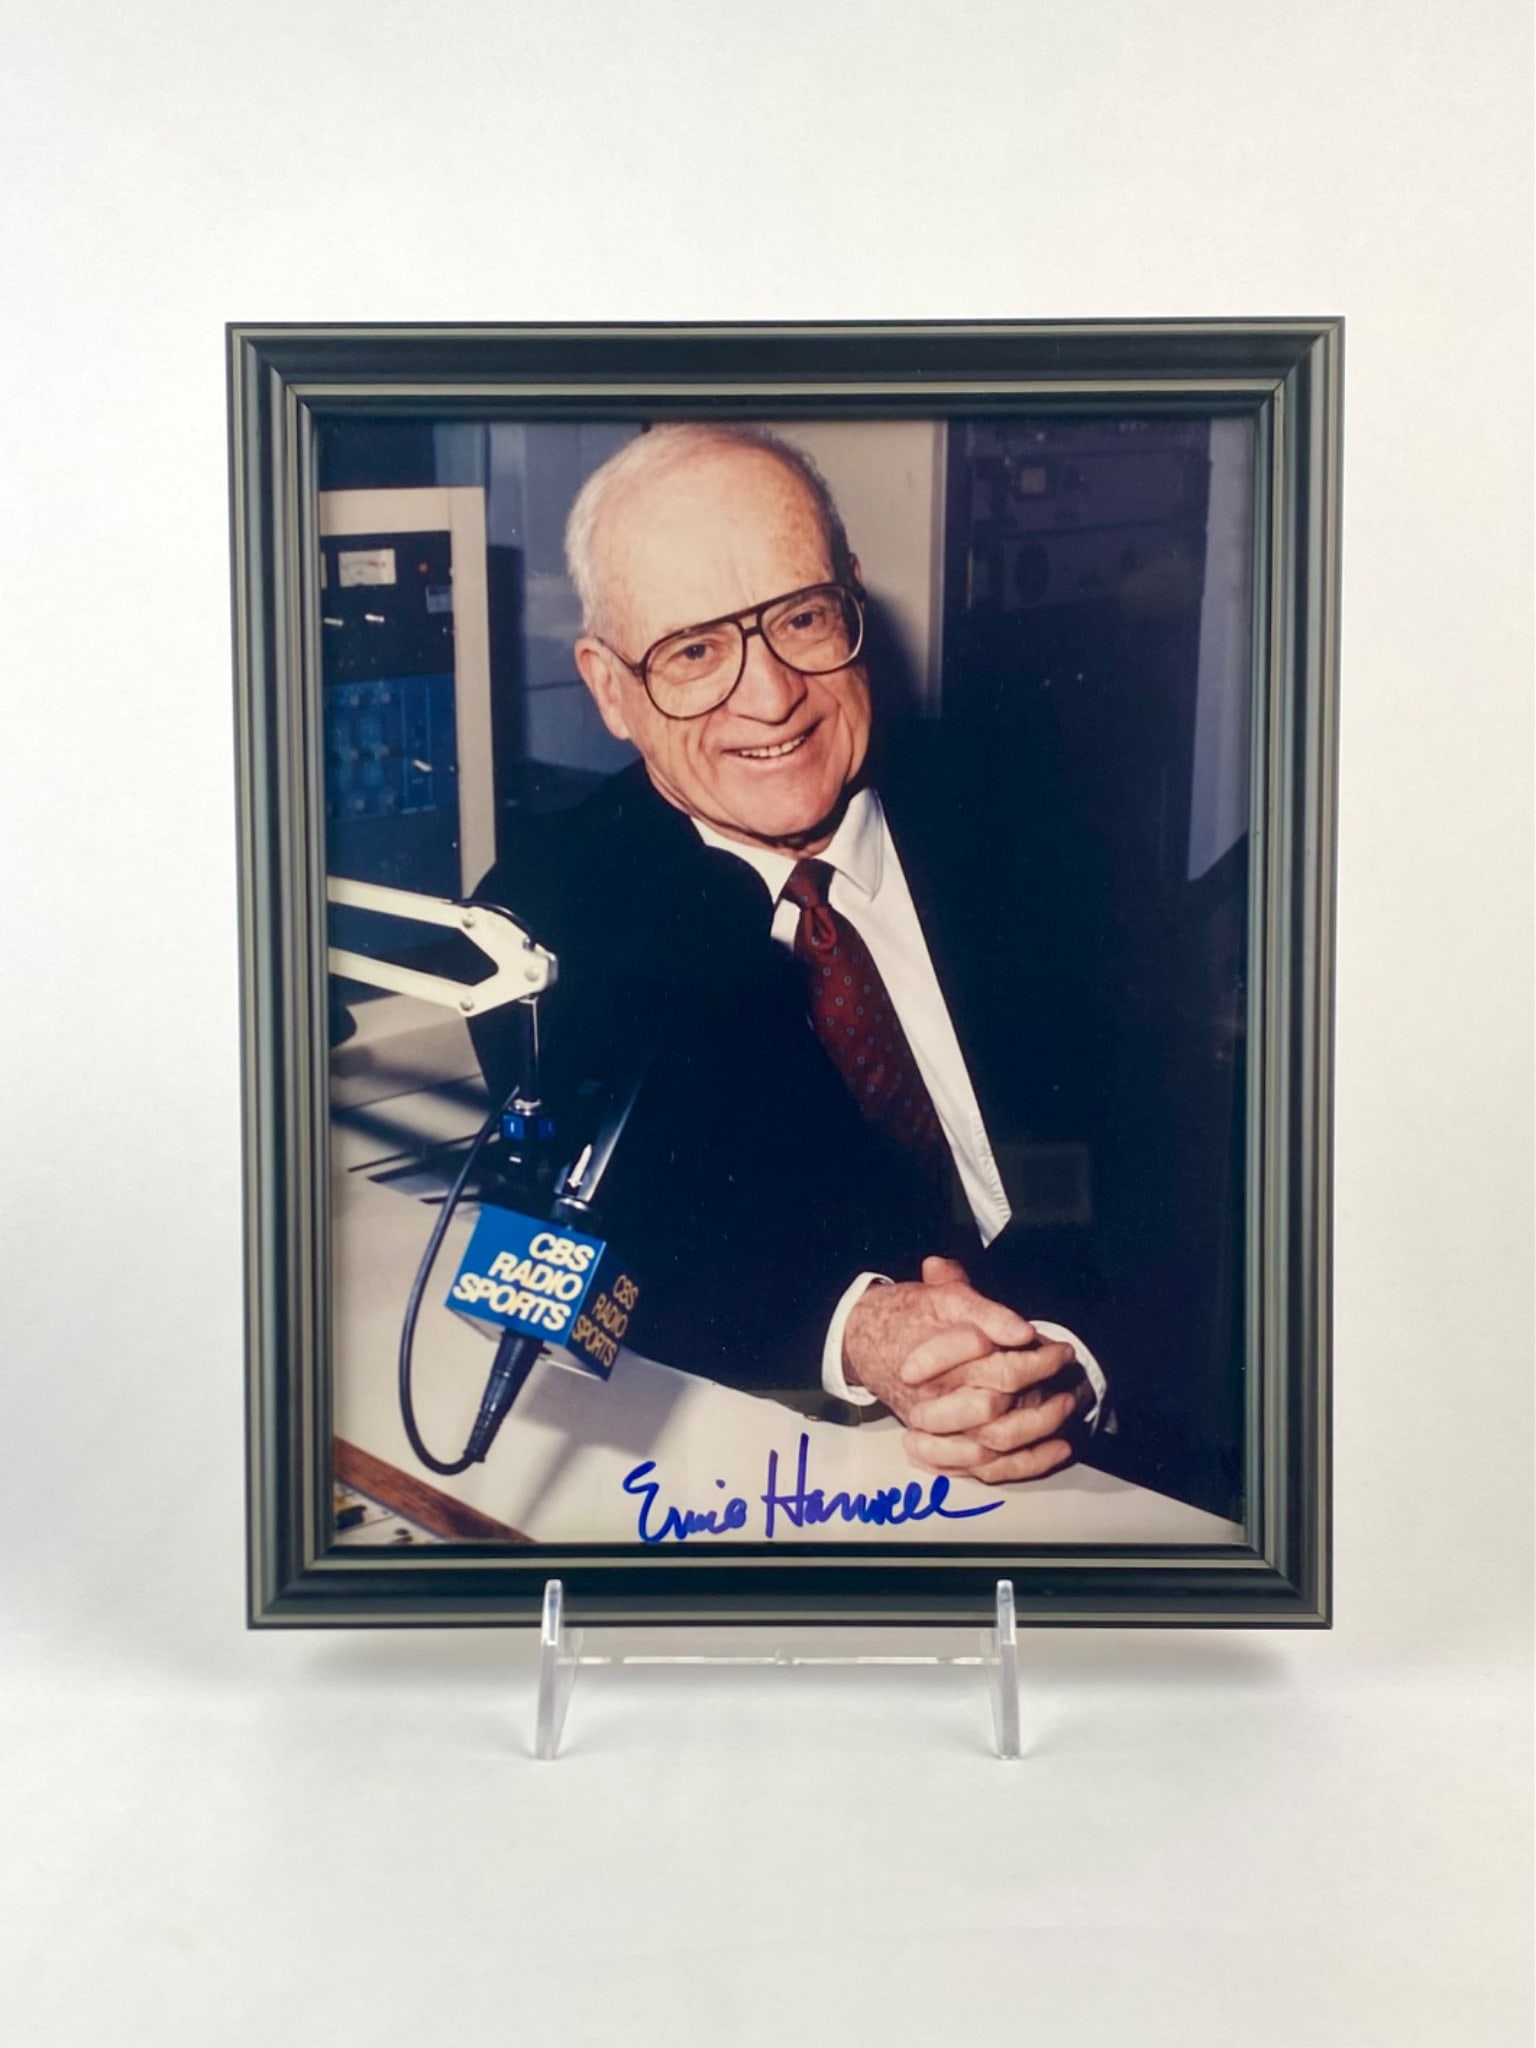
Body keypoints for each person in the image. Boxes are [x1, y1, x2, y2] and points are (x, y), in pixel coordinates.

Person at [471, 423, 1113, 1487]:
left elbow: (1155, 1146)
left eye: (802, 618)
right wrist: (864, 1328)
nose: (770, 698)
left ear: (853, 602)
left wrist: (1073, 1347)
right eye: (691, 651)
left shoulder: (1029, 798)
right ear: (609, 686)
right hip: (860, 1467)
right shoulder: (544, 923)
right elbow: (645, 1240)